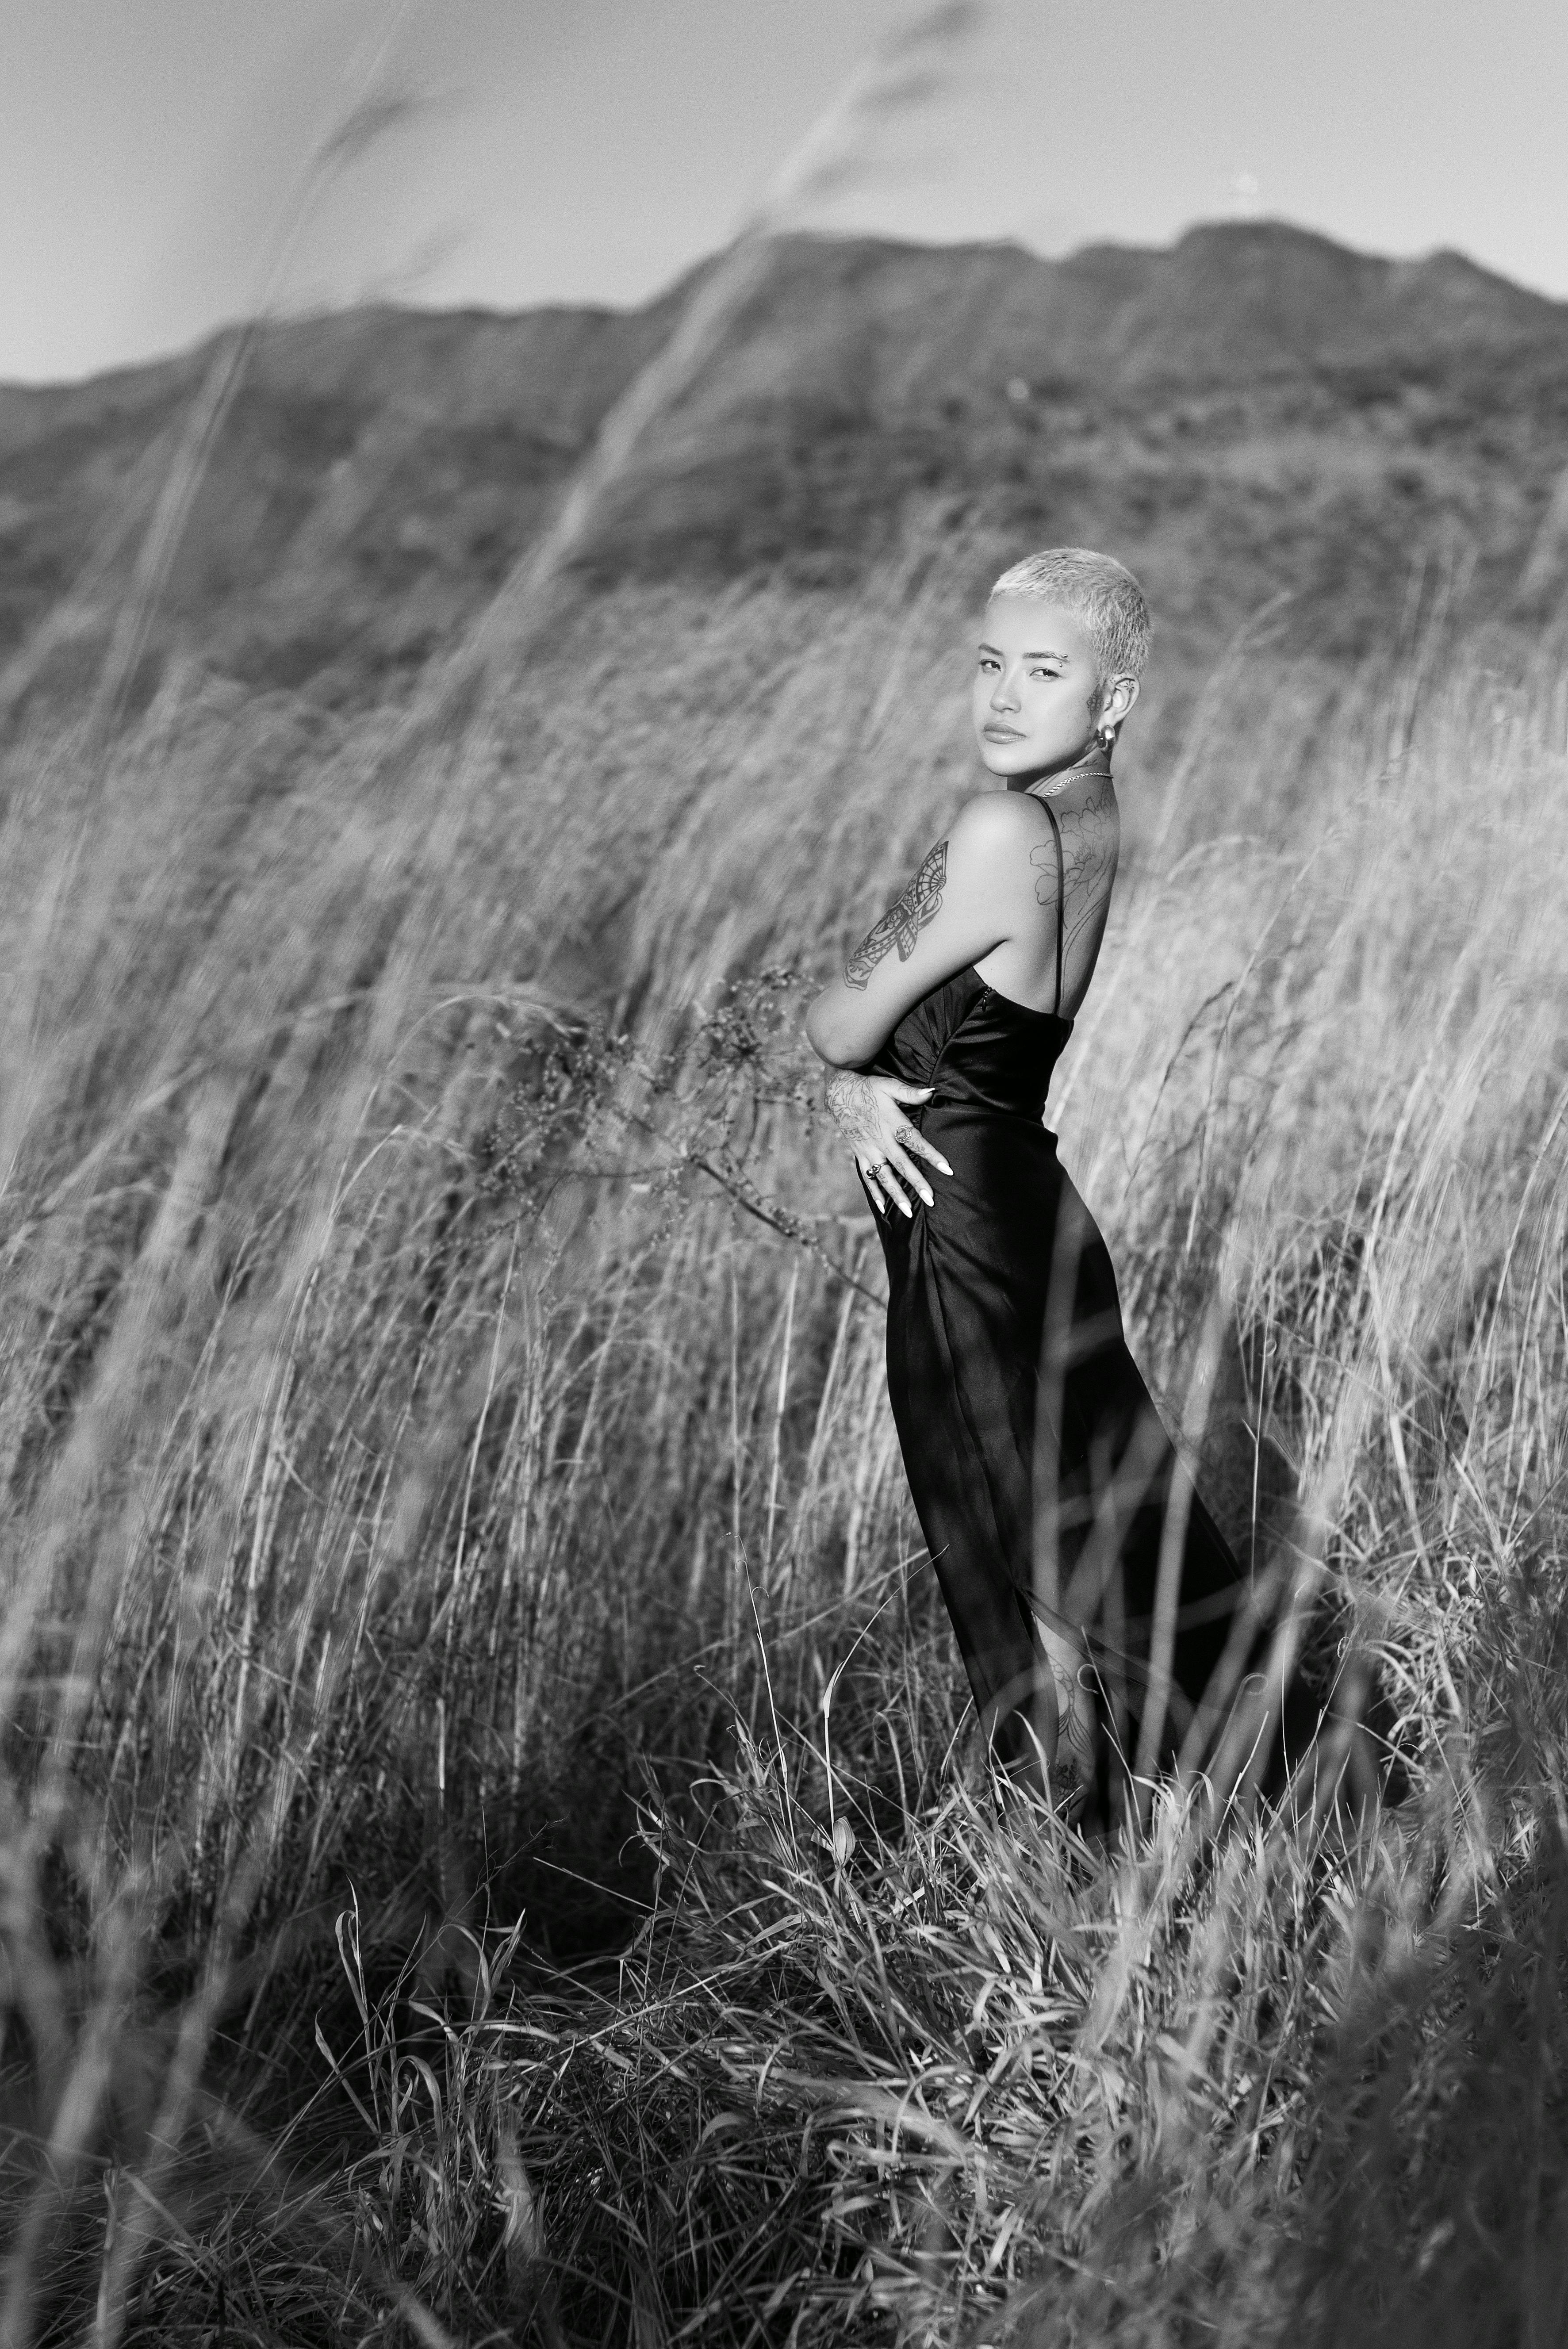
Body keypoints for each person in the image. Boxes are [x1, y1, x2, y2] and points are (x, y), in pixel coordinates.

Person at [806, 548, 1266, 1813]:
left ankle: (1076, 1859)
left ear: (1111, 701)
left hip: (956, 1228)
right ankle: (1204, 1815)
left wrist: (849, 1078)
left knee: (1019, 1559)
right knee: (1089, 1530)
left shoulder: (1002, 824)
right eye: (988, 664)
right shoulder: (1088, 824)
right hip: (1022, 1204)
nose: (1003, 697)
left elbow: (837, 1021)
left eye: (1044, 671)